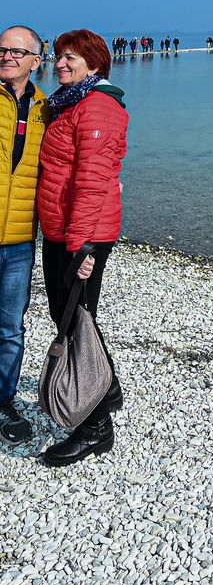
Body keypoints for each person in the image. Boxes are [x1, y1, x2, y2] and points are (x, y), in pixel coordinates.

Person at [36, 29, 129, 467]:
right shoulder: (70, 103)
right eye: (57, 56)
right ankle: (106, 390)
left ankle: (94, 430)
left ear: (95, 64)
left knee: (73, 319)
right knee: (74, 315)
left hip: (80, 234)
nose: (60, 64)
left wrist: (83, 246)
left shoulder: (97, 105)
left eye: (70, 57)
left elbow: (92, 182)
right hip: (63, 229)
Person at [0, 26, 48, 445]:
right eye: (2, 49)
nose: (7, 56)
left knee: (10, 328)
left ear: (36, 60)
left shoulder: (46, 109)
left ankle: (4, 401)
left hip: (18, 241)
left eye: (17, 50)